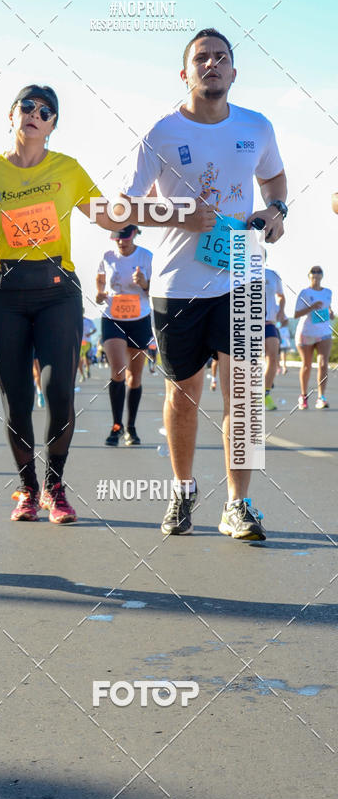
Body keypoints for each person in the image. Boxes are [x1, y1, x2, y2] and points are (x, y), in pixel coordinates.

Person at [120, 28, 287, 541]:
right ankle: (183, 489)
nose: (211, 64)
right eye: (201, 58)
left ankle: (240, 503)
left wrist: (277, 211)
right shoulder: (162, 133)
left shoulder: (257, 126)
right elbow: (123, 208)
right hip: (177, 281)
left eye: (221, 57)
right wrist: (178, 212)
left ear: (233, 71)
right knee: (185, 393)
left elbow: (275, 180)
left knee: (244, 394)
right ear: (185, 73)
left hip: (241, 268)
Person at [0, 84, 119, 523]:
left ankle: (54, 487)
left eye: (45, 111)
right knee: (16, 397)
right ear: (11, 116)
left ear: (53, 125)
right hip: (5, 292)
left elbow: (109, 216)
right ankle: (27, 488)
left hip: (58, 289)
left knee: (58, 391)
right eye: (27, 107)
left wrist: (157, 203)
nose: (35, 114)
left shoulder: (69, 169)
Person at [96, 224, 153, 446]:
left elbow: (156, 290)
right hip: (113, 318)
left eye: (125, 238)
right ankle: (116, 426)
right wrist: (100, 294)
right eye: (117, 238)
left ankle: (131, 427)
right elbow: (100, 280)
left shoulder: (146, 256)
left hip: (139, 319)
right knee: (118, 369)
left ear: (135, 235)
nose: (121, 242)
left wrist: (144, 284)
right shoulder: (107, 256)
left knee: (134, 377)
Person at [294, 266, 334, 410]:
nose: (316, 274)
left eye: (319, 272)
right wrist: (311, 307)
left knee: (323, 364)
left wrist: (330, 313)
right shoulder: (305, 293)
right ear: (309, 275)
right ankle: (303, 396)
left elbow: (328, 308)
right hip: (306, 332)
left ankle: (321, 397)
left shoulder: (328, 292)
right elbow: (296, 314)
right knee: (307, 365)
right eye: (314, 272)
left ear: (322, 275)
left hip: (323, 331)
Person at [263, 261, 287, 411]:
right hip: (246, 323)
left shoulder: (272, 275)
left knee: (272, 357)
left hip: (268, 322)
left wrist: (281, 311)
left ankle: (265, 394)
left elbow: (281, 296)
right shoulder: (239, 272)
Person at [78, 312, 96, 381]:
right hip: (78, 343)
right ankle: (82, 375)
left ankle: (87, 370)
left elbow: (94, 329)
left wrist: (89, 334)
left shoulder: (88, 321)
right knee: (79, 360)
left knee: (86, 358)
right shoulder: (74, 320)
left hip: (86, 342)